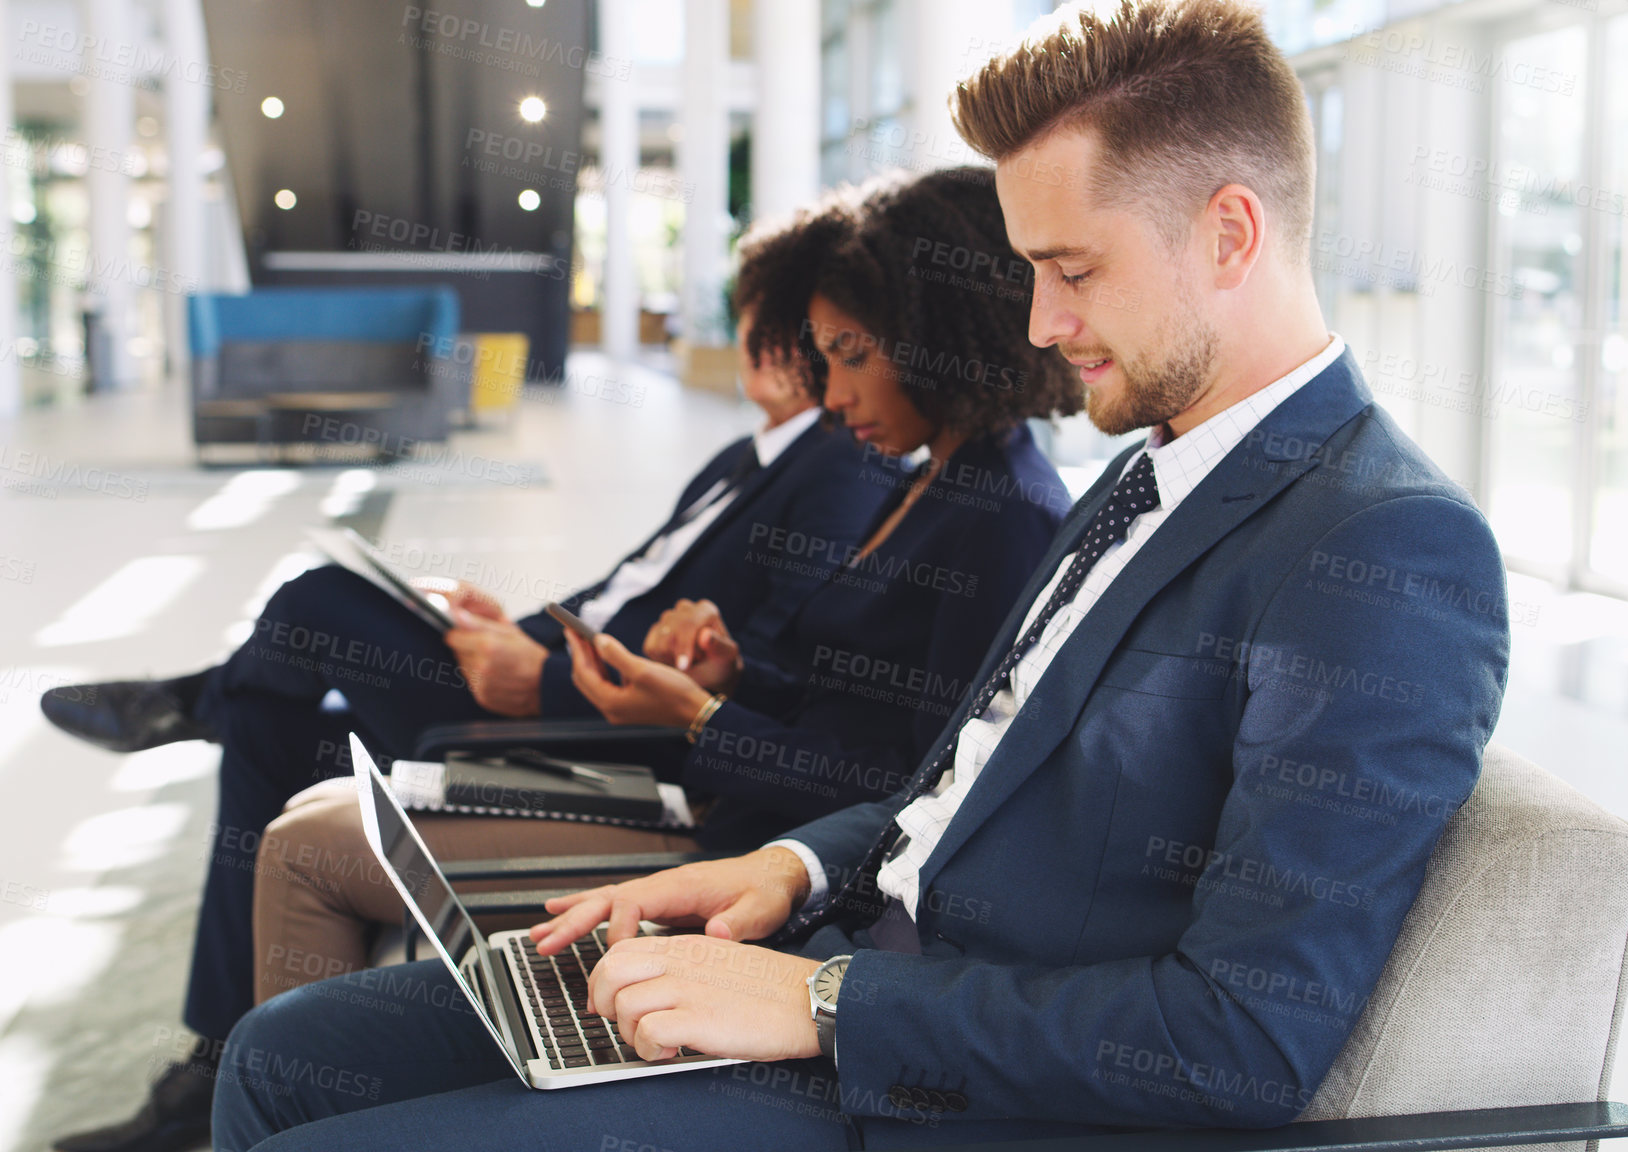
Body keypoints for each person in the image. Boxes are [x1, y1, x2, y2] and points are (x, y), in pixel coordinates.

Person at [213, 2, 1512, 1148]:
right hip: (830, 945)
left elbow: (1242, 1037)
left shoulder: (1376, 548)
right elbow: (955, 783)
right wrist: (788, 869)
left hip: (934, 1083)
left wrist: (823, 1003)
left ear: (1228, 233)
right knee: (279, 1063)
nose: (1042, 329)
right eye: (1027, 276)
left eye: (1071, 272)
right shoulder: (1150, 473)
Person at [43, 309, 884, 1152]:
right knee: (263, 723)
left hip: (586, 729)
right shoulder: (741, 459)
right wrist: (518, 631)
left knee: (315, 601)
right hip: (555, 682)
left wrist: (542, 676)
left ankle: (191, 701)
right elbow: (614, 594)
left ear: (775, 349)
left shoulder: (835, 475)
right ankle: (210, 1059)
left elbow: (748, 669)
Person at [245, 165, 1081, 1012]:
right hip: (727, 806)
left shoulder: (1001, 517)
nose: (833, 395)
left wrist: (700, 718)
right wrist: (732, 679)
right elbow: (850, 700)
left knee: (310, 842)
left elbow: (908, 790)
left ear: (942, 337)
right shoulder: (932, 481)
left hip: (754, 854)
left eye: (853, 357)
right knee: (315, 815)